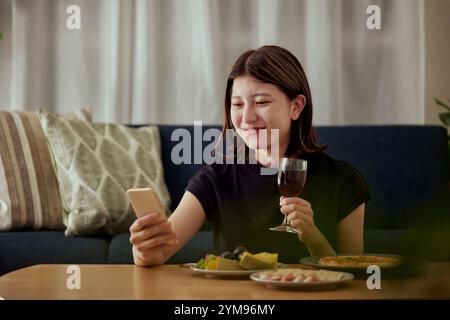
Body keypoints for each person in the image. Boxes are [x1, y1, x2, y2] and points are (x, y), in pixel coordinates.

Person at [129, 45, 373, 266]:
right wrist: (144, 249)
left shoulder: (342, 180)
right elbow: (158, 253)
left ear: (296, 106)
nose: (246, 118)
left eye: (261, 102)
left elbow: (355, 278)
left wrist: (313, 237)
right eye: (238, 105)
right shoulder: (216, 177)